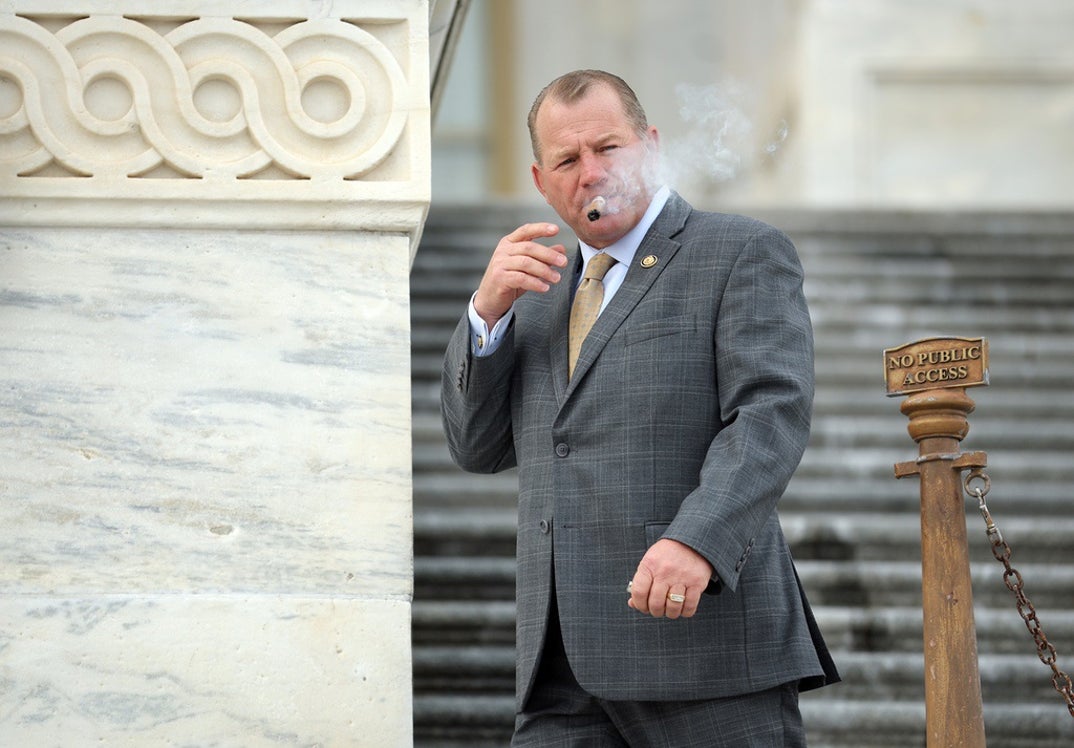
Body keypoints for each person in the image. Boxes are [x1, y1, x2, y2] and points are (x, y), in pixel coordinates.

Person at [440, 69, 839, 746]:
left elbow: (769, 413)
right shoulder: (531, 292)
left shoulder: (739, 252)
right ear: (542, 181)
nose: (591, 173)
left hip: (705, 656)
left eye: (609, 148)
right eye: (568, 160)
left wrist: (698, 539)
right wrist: (485, 317)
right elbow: (476, 448)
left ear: (650, 145)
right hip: (561, 670)